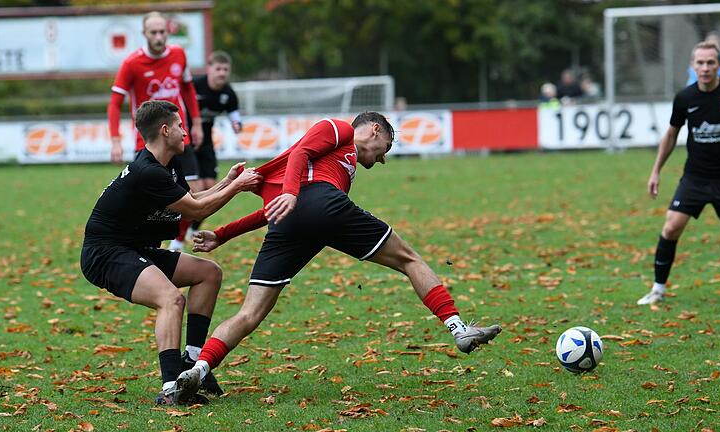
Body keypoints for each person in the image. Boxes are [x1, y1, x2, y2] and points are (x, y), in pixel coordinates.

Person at [168, 112, 502, 403]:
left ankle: (199, 369)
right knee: (409, 259)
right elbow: (300, 152)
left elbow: (279, 208)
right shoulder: (338, 128)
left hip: (292, 220)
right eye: (385, 147)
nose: (383, 158)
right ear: (373, 129)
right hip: (317, 204)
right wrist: (291, 193)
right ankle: (458, 328)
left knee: (250, 312)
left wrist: (223, 233)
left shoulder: (343, 163)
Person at [80, 100, 261, 404]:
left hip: (134, 248)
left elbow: (190, 198)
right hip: (106, 253)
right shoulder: (147, 171)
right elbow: (197, 210)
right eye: (179, 125)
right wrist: (239, 187)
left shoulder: (167, 163)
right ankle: (169, 390)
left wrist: (227, 183)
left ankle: (191, 361)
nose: (185, 132)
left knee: (208, 273)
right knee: (171, 299)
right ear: (165, 130)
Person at [638, 41, 720, 305]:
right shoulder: (685, 98)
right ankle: (658, 289)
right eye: (700, 63)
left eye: (711, 62)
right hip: (695, 178)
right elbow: (671, 134)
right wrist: (656, 171)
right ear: (692, 66)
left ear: (719, 66)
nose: (705, 68)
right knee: (671, 227)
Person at [107, 11, 203, 174]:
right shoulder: (131, 63)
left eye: (162, 32)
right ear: (144, 34)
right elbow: (114, 104)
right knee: (150, 196)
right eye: (153, 32)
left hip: (179, 136)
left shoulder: (179, 54)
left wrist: (197, 123)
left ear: (168, 31)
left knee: (194, 190)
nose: (158, 37)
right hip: (147, 141)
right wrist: (116, 141)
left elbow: (188, 89)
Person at [169, 51, 243, 251]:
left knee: (211, 186)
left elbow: (234, 113)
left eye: (225, 69)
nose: (222, 73)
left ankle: (192, 229)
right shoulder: (195, 86)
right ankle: (177, 240)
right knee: (197, 190)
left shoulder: (228, 93)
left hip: (207, 142)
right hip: (187, 140)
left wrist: (237, 124)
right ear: (209, 68)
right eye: (218, 69)